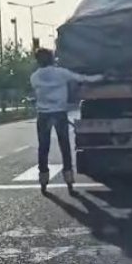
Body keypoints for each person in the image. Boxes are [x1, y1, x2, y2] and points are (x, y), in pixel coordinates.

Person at [30, 48, 103, 191]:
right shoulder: (61, 73)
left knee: (43, 147)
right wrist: (102, 76)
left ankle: (43, 178)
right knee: (65, 146)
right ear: (52, 58)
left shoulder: (35, 77)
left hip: (43, 114)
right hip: (59, 113)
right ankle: (68, 177)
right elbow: (82, 78)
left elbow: (37, 91)